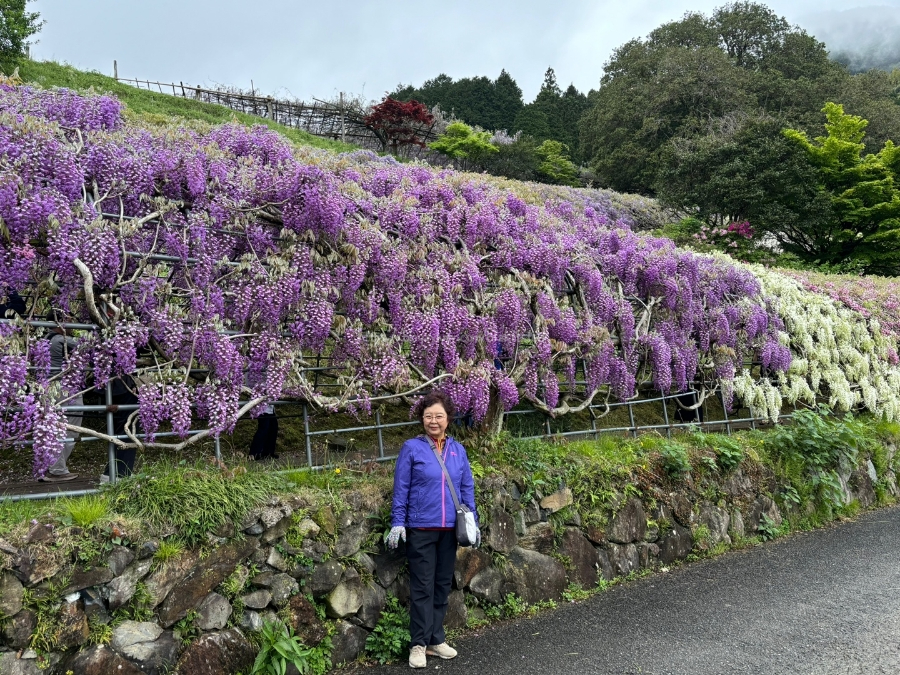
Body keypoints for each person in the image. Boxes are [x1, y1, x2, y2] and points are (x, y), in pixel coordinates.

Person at [387, 390, 480, 669]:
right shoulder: (412, 448)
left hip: (449, 530)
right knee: (422, 587)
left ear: (448, 418)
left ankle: (435, 639)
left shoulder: (457, 450)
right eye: (428, 416)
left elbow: (466, 489)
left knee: (441, 585)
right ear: (422, 419)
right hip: (421, 528)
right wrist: (397, 522)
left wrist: (472, 521)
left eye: (439, 416)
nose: (434, 421)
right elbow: (401, 488)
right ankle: (418, 644)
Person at [41, 324, 81, 482]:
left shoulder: (44, 340)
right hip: (64, 387)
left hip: (49, 388)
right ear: (59, 323)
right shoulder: (61, 340)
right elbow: (87, 346)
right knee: (70, 426)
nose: (72, 325)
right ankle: (57, 470)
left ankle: (48, 467)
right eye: (69, 321)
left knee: (52, 427)